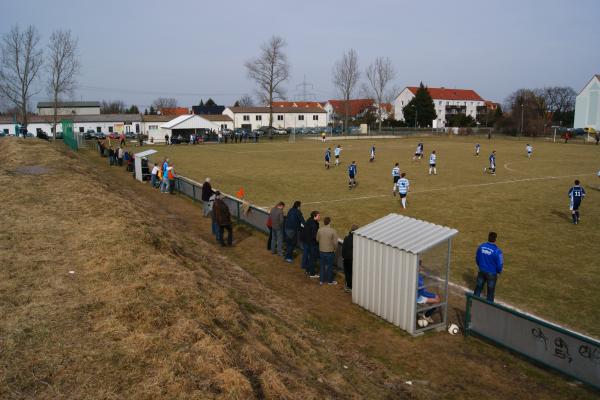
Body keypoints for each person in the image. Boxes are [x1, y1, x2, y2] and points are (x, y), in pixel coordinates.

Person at [473, 231, 504, 302]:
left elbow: (477, 258)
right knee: (490, 292)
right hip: (492, 274)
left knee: (478, 288)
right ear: (495, 239)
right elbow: (500, 264)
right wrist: (499, 271)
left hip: (481, 271)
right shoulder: (497, 251)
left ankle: (473, 304)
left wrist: (480, 266)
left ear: (488, 237)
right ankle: (488, 307)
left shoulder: (481, 247)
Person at [316, 216, 339, 286]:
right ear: (330, 222)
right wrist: (335, 249)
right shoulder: (333, 231)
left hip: (321, 250)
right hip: (330, 251)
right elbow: (335, 243)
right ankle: (329, 281)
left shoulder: (320, 230)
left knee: (322, 265)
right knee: (330, 266)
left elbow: (317, 239)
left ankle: (321, 280)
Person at [300, 211, 320, 278]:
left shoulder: (309, 220)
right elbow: (314, 236)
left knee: (309, 257)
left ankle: (307, 270)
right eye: (318, 216)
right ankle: (312, 273)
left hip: (306, 241)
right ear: (314, 216)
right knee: (312, 258)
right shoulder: (314, 224)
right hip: (311, 243)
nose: (319, 217)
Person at [342, 225, 357, 293]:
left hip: (346, 258)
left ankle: (348, 286)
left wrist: (343, 256)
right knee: (351, 273)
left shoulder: (346, 238)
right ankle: (350, 287)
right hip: (352, 259)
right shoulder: (356, 240)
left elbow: (343, 248)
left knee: (347, 273)